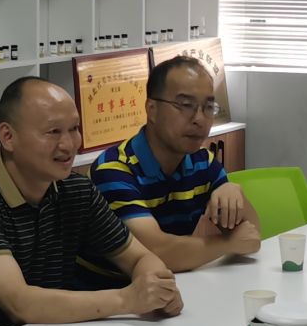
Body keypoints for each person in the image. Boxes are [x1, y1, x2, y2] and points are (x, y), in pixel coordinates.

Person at [0, 76, 180, 326]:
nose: (69, 145)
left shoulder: (76, 190)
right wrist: (126, 299)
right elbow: (20, 303)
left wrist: (157, 288)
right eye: (53, 132)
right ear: (8, 137)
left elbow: (140, 257)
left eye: (74, 129)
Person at [90, 56, 260, 271]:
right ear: (152, 109)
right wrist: (227, 244)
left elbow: (251, 236)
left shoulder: (203, 162)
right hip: (112, 290)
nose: (199, 119)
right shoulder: (113, 170)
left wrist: (234, 191)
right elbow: (157, 252)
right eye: (186, 105)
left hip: (171, 285)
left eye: (208, 107)